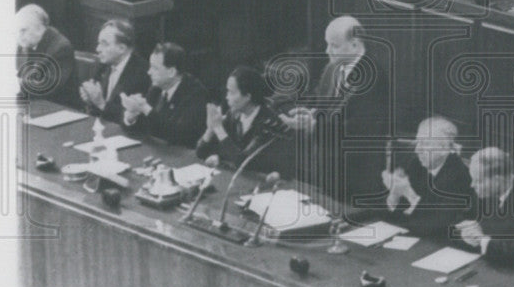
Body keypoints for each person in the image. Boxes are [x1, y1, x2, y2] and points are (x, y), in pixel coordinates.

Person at [278, 16, 390, 207]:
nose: (327, 51)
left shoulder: (372, 76)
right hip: (327, 169)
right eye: (327, 44)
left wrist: (313, 126)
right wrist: (309, 112)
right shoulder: (332, 67)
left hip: (355, 176)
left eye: (334, 45)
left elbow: (358, 128)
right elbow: (320, 100)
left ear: (354, 45)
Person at [379, 116, 473, 239]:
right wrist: (394, 194)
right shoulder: (416, 163)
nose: (418, 150)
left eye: (425, 143)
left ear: (445, 149)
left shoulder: (460, 176)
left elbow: (436, 228)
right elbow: (390, 216)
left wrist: (410, 195)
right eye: (418, 142)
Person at [196, 65, 288, 173]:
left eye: (232, 92)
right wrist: (210, 129)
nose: (227, 97)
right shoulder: (234, 114)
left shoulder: (269, 122)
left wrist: (219, 129)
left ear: (248, 96)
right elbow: (200, 153)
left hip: (265, 180)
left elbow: (244, 162)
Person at [120, 42, 207, 148]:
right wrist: (131, 116)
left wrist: (145, 108)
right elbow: (144, 127)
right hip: (159, 149)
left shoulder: (195, 93)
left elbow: (179, 135)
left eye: (155, 68)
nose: (149, 72)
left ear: (171, 72)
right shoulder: (156, 88)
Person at [79, 19, 150, 123]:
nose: (97, 49)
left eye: (104, 44)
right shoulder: (102, 65)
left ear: (121, 48)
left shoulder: (143, 73)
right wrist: (90, 101)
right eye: (99, 43)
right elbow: (96, 111)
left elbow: (133, 120)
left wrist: (101, 104)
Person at [16, 4, 78, 107]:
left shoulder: (61, 48)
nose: (19, 36)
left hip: (59, 109)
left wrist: (16, 84)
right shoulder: (26, 44)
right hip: (36, 106)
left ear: (39, 29)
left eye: (23, 30)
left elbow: (46, 88)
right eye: (17, 31)